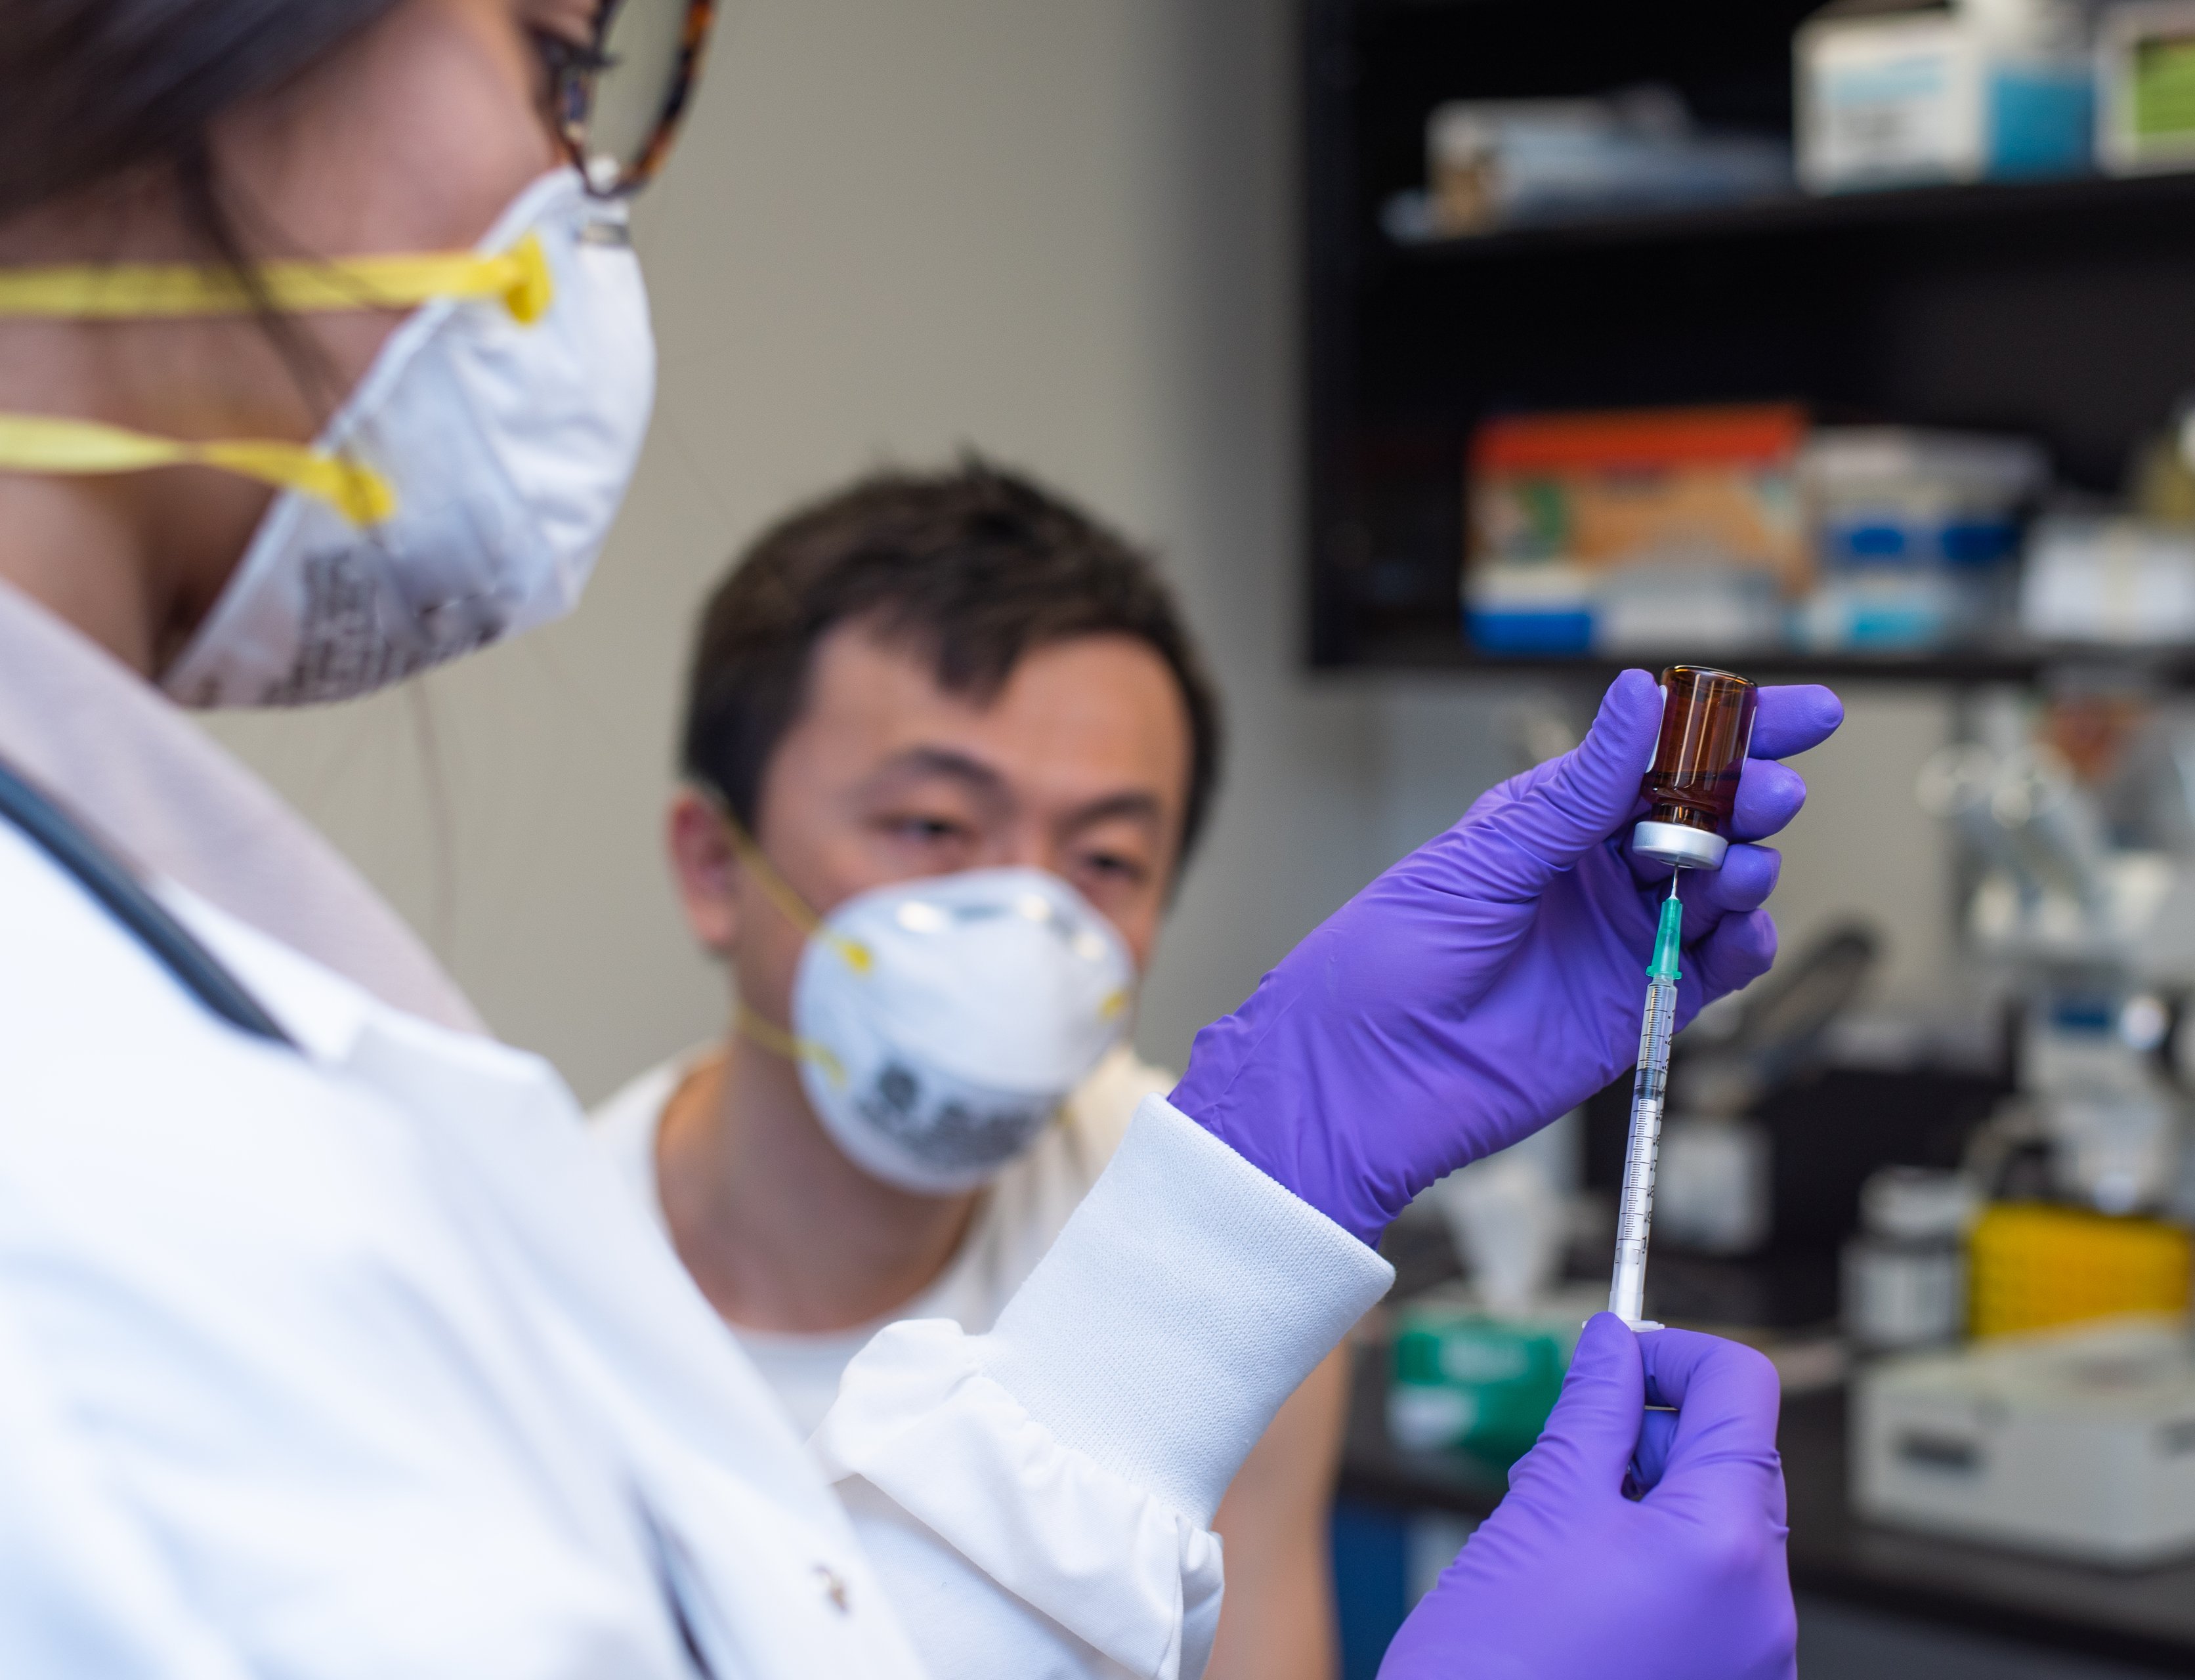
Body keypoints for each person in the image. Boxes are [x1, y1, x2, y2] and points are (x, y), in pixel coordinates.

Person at [0, 3, 1843, 1677]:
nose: (575, 201)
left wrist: (1275, 1161)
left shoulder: (123, 960)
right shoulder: (98, 1182)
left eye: (1106, 849)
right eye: (562, 73)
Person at [593, 461, 1348, 1679]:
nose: (1029, 921)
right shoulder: (527, 1298)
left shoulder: (1207, 1250)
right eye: (934, 828)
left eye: (1104, 857)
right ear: (714, 868)